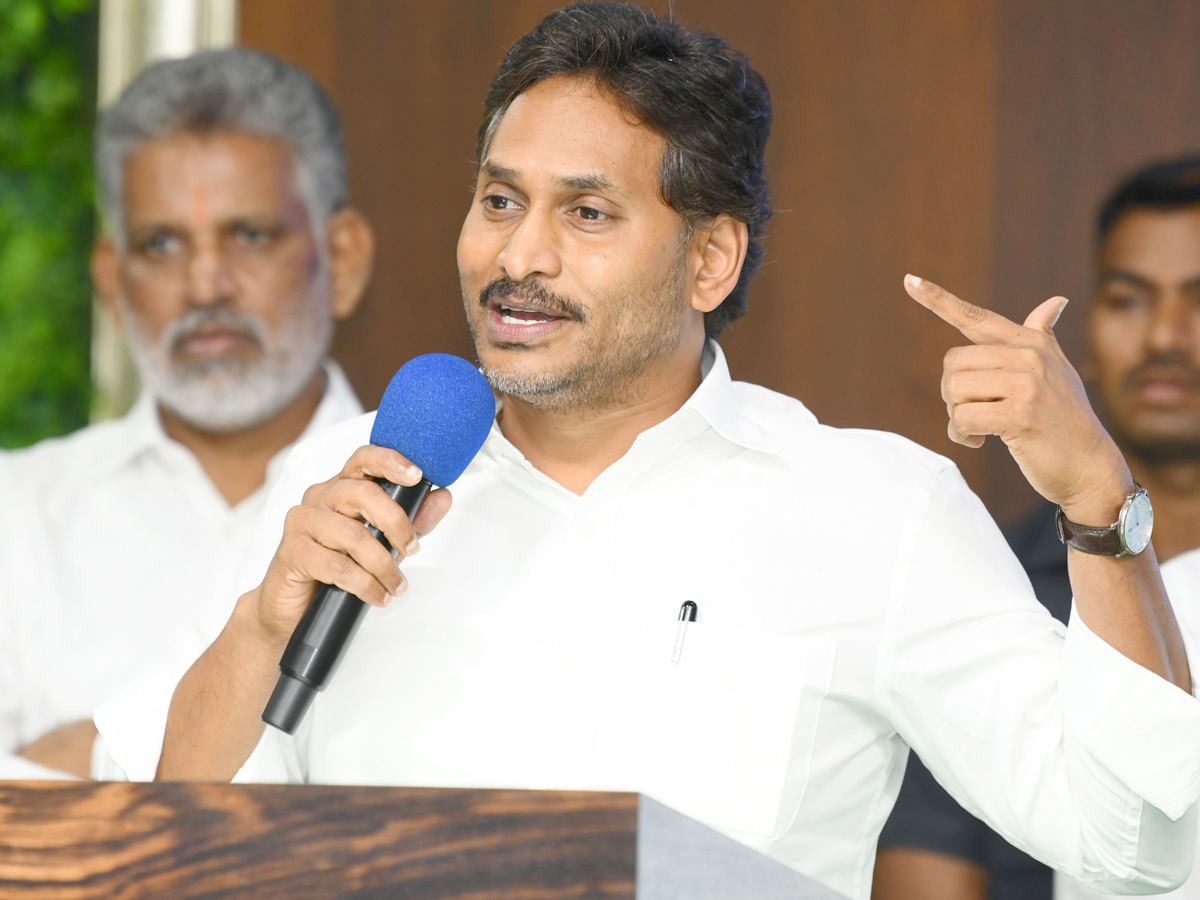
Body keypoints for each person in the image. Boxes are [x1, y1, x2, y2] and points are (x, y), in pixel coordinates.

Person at [96, 7, 1200, 899]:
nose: (518, 256)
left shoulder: (875, 508)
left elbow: (1138, 843)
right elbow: (169, 848)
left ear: (710, 260)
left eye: (586, 213)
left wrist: (1100, 501)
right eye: (499, 199)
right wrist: (261, 626)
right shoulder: (349, 481)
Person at [0, 48, 372, 780]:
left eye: (250, 235)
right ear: (112, 281)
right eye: (163, 243)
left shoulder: (448, 511)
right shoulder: (18, 515)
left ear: (343, 260)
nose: (206, 284)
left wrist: (95, 756)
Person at [873, 155, 1200, 900]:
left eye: (1199, 299)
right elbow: (925, 872)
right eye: (1129, 300)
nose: (1165, 338)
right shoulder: (992, 579)